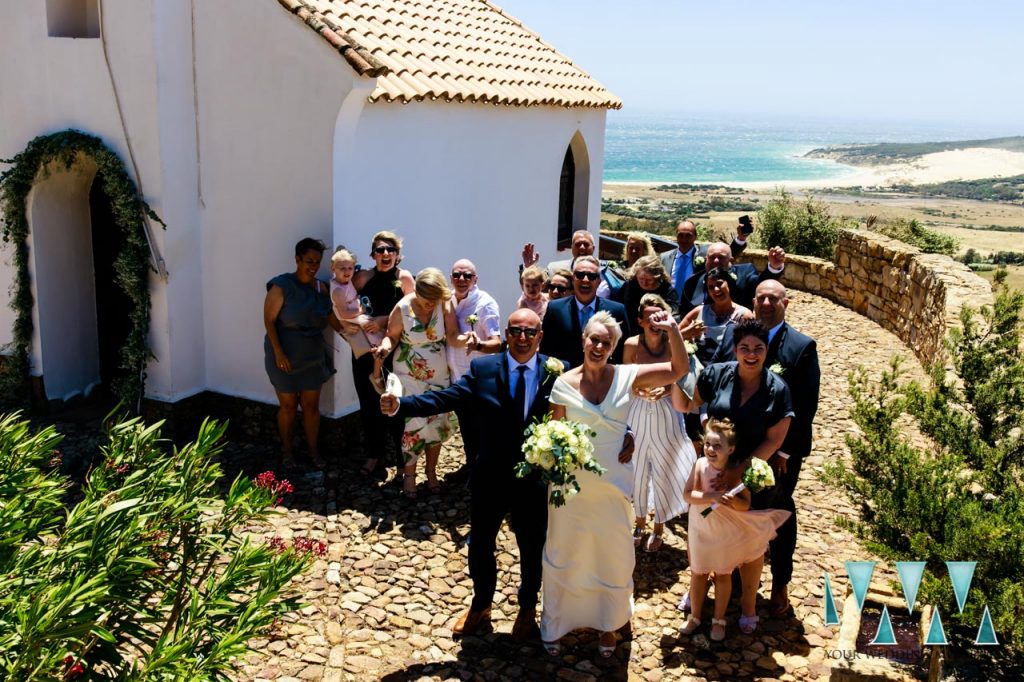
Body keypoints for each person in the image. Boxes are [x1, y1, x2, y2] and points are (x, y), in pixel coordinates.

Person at [379, 309, 565, 642]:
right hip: (490, 474)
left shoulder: (556, 372)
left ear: (540, 336)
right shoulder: (483, 368)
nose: (522, 338)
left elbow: (584, 408)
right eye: (516, 331)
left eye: (530, 332)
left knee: (532, 546)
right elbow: (445, 397)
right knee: (480, 544)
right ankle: (481, 605)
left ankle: (527, 609)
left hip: (533, 479)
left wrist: (626, 433)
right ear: (506, 334)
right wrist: (401, 406)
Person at [541, 309, 688, 657]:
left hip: (615, 486)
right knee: (565, 553)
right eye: (594, 339)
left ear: (613, 347)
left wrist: (673, 331)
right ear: (583, 340)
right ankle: (557, 623)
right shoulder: (562, 384)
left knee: (613, 555)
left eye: (607, 343)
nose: (599, 346)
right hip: (571, 490)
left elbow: (677, 370)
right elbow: (554, 434)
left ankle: (609, 625)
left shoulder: (627, 376)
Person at [710, 280, 820, 617]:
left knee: (776, 517)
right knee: (735, 512)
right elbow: (713, 377)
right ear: (753, 301)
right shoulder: (736, 337)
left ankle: (780, 581)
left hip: (778, 455)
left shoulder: (801, 347)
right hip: (733, 448)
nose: (767, 303)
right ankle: (737, 580)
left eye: (774, 298)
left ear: (786, 302)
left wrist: (782, 453)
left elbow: (806, 405)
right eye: (762, 297)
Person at [678, 319, 794, 633]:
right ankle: (698, 589)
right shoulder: (717, 374)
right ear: (735, 349)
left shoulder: (777, 389)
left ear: (766, 351)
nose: (751, 354)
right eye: (745, 348)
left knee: (751, 545)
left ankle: (746, 606)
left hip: (753, 477)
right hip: (713, 468)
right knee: (706, 533)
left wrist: (738, 472)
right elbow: (692, 403)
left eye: (758, 348)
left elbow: (775, 437)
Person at [681, 419, 791, 641]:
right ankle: (694, 617)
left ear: (730, 449)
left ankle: (719, 619)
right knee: (698, 572)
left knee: (722, 574)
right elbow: (687, 495)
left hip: (723, 530)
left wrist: (732, 500)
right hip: (701, 527)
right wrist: (712, 496)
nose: (711, 450)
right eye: (708, 444)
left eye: (718, 446)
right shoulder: (700, 465)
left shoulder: (736, 472)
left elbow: (744, 505)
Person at [374, 268, 467, 499]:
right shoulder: (403, 307)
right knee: (413, 425)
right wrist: (385, 346)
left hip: (438, 374)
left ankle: (432, 472)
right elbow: (392, 336)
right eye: (426, 302)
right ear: (417, 292)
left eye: (433, 302)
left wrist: (469, 341)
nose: (429, 306)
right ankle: (409, 475)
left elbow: (453, 334)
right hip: (409, 372)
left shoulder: (444, 304)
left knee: (436, 422)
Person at [623, 294, 697, 553]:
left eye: (660, 316)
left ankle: (659, 526)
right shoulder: (631, 344)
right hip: (638, 412)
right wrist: (640, 392)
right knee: (639, 467)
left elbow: (683, 375)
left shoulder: (673, 342)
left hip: (667, 411)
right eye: (650, 317)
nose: (655, 322)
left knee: (666, 467)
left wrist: (666, 391)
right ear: (640, 321)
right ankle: (640, 522)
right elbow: (626, 380)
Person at [263, 238, 338, 470]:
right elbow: (269, 321)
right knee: (287, 406)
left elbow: (333, 320)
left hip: (312, 355)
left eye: (317, 261)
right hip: (283, 354)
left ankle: (313, 450)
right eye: (308, 261)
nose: (313, 266)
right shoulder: (282, 286)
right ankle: (287, 451)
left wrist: (359, 332)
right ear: (297, 259)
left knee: (311, 406)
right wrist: (278, 352)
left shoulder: (321, 288)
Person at [351, 231, 415, 479]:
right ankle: (373, 454)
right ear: (373, 254)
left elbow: (413, 314)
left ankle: (402, 461)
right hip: (365, 352)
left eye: (390, 250)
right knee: (368, 404)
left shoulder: (405, 278)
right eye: (380, 250)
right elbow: (342, 303)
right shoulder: (363, 277)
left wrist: (383, 320)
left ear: (398, 255)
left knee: (397, 405)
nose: (385, 254)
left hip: (396, 352)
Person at [447, 259, 502, 480]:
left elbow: (497, 342)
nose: (461, 279)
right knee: (466, 428)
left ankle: (484, 475)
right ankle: (471, 466)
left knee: (481, 430)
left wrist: (477, 345)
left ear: (475, 279)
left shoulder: (485, 304)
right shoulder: (448, 299)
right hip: (457, 377)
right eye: (457, 275)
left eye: (467, 276)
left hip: (478, 381)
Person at [540, 256, 630, 367]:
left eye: (591, 276)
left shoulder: (617, 311)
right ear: (573, 279)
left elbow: (622, 352)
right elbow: (546, 350)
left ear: (598, 282)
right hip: (565, 379)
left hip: (603, 379)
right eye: (580, 275)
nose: (585, 280)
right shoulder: (555, 309)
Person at [679, 238, 786, 315]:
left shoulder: (745, 273)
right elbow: (683, 312)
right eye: (712, 257)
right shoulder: (692, 282)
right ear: (706, 260)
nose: (716, 261)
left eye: (721, 257)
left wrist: (773, 267)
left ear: (731, 261)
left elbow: (761, 284)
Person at [679, 266, 752, 364]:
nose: (716, 290)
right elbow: (673, 337)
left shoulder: (744, 315)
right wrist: (687, 332)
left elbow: (750, 346)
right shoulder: (699, 311)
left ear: (728, 284)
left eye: (719, 284)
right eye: (711, 287)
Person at [661, 219, 747, 301]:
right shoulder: (664, 258)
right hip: (670, 308)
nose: (684, 239)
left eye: (688, 235)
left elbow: (726, 254)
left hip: (693, 305)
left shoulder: (705, 253)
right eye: (681, 235)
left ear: (695, 237)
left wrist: (740, 239)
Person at [522, 230, 620, 299]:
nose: (582, 248)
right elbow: (533, 288)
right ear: (572, 248)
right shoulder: (554, 269)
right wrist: (529, 268)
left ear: (593, 248)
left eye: (586, 244)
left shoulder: (604, 273)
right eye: (578, 244)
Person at [330, 247, 382, 357]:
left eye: (350, 268)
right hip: (350, 316)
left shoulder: (346, 281)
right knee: (368, 323)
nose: (347, 271)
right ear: (333, 268)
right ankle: (377, 347)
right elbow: (343, 314)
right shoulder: (338, 290)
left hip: (353, 313)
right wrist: (360, 310)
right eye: (342, 268)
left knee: (371, 323)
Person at [615, 254, 680, 323]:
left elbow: (673, 313)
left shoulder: (667, 290)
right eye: (641, 279)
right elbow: (617, 306)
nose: (644, 283)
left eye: (649, 280)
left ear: (657, 277)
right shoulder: (630, 285)